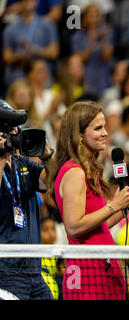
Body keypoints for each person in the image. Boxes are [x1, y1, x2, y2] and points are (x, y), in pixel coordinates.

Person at [47, 100, 129, 300]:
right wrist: (114, 205)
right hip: (88, 273)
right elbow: (74, 226)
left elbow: (99, 227)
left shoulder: (87, 171)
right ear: (79, 135)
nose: (105, 133)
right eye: (97, 128)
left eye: (104, 126)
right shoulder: (74, 172)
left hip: (104, 267)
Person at [0, 99, 55, 300]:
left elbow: (51, 184)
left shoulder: (24, 164)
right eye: (9, 128)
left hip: (33, 271)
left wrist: (48, 156)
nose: (15, 132)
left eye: (15, 127)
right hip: (5, 272)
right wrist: (0, 156)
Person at [2, 0, 59, 86]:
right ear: (19, 3)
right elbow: (7, 56)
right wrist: (19, 55)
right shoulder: (11, 28)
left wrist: (35, 51)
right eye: (24, 1)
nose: (27, 3)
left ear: (36, 2)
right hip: (19, 74)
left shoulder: (47, 24)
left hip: (42, 74)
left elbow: (54, 52)